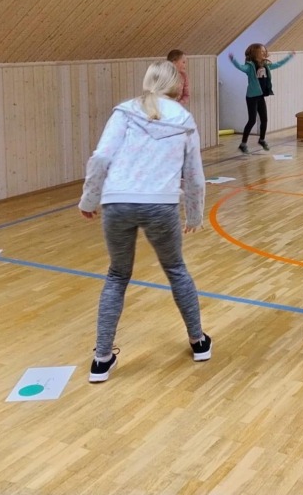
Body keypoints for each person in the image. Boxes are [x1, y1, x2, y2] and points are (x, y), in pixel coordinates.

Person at [79, 61, 211, 382]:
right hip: (161, 204)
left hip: (117, 202)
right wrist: (194, 214)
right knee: (176, 270)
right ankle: (198, 342)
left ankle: (101, 359)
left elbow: (101, 157)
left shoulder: (124, 112)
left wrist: (89, 199)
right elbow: (194, 175)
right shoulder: (184, 119)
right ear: (177, 85)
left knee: (117, 275)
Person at [228, 44, 295, 153]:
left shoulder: (266, 65)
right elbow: (240, 67)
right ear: (255, 54)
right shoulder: (250, 67)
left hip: (260, 96)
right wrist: (233, 60)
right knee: (252, 120)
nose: (264, 53)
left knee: (264, 119)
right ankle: (243, 144)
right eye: (261, 51)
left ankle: (262, 140)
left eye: (264, 51)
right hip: (252, 97)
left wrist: (289, 56)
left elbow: (279, 64)